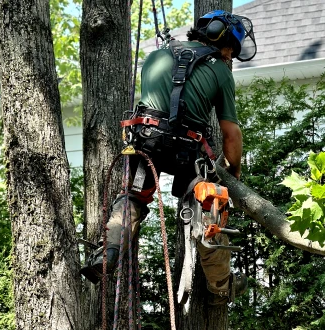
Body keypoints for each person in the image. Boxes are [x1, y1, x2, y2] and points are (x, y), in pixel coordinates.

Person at [80, 10, 257, 305]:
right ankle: (220, 286)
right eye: (230, 50)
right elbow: (231, 135)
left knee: (132, 199)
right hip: (188, 151)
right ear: (223, 44)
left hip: (146, 142)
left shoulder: (156, 56)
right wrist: (234, 169)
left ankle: (108, 253)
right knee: (209, 203)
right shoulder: (221, 71)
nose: (230, 57)